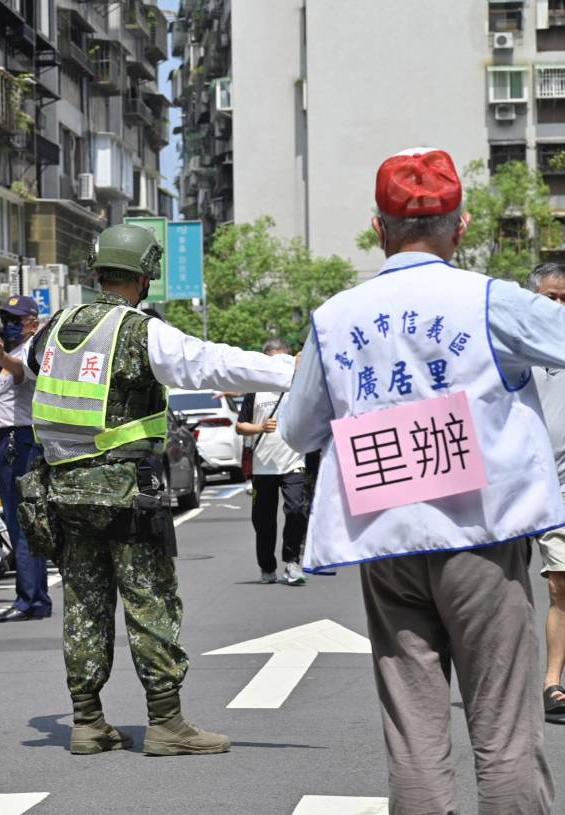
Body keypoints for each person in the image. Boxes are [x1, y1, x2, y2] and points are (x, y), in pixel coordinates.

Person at [281, 147, 565, 813]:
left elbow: (296, 430)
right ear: (460, 227)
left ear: (378, 230)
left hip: (386, 541)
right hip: (483, 539)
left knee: (414, 733)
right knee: (504, 731)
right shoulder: (493, 301)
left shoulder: (337, 316)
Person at [20, 224, 295, 756]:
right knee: (149, 601)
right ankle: (167, 724)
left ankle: (86, 721)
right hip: (126, 494)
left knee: (83, 604)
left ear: (98, 271)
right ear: (145, 277)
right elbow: (211, 362)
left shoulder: (51, 329)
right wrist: (288, 369)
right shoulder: (139, 330)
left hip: (63, 495)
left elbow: (30, 367)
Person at [0, 295, 51, 623]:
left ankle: (29, 599)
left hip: (17, 438)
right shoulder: (19, 348)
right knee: (20, 519)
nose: (8, 323)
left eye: (16, 318)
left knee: (21, 519)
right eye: (6, 317)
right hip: (9, 438)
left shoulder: (32, 349)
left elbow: (20, 372)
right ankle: (33, 598)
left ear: (33, 321)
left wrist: (1, 357)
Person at [235, 337, 309, 586]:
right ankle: (267, 566)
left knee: (297, 510)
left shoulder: (298, 387)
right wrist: (260, 426)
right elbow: (240, 427)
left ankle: (292, 561)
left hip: (293, 460)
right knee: (263, 521)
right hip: (263, 465)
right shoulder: (255, 390)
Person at [526, 262, 565, 724]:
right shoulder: (510, 347)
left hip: (562, 486)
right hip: (512, 486)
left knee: (561, 583)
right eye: (551, 297)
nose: (558, 306)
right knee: (503, 591)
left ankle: (552, 683)